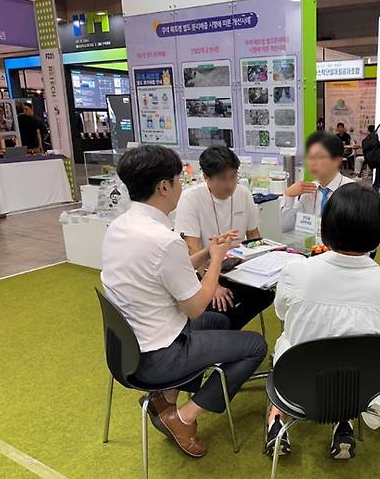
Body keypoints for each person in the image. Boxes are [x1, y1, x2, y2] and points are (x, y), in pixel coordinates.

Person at [101, 145, 267, 457]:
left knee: (221, 321)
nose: (182, 184)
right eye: (179, 179)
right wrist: (216, 260)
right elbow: (194, 307)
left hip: (128, 347)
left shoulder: (120, 226)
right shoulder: (162, 240)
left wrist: (207, 251)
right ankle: (183, 417)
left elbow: (165, 271)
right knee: (255, 345)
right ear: (163, 186)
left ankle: (165, 397)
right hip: (158, 355)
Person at [266, 182, 380, 459]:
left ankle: (276, 422)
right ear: (378, 234)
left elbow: (281, 313)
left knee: (286, 340)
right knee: (353, 349)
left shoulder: (296, 271)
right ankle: (344, 422)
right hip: (362, 390)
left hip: (297, 389)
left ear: (326, 228)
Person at [174, 146, 274, 330]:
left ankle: (228, 331)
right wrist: (214, 285)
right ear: (206, 177)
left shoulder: (243, 193)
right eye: (222, 179)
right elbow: (192, 247)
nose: (230, 185)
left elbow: (254, 236)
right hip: (202, 271)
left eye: (233, 176)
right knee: (219, 304)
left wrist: (266, 267)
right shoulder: (191, 199)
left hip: (235, 268)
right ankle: (224, 335)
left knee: (266, 295)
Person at [280, 130, 355, 232]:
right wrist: (289, 195)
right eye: (310, 157)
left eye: (320, 157)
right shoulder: (308, 190)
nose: (312, 163)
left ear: (337, 160)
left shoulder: (351, 190)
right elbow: (286, 227)